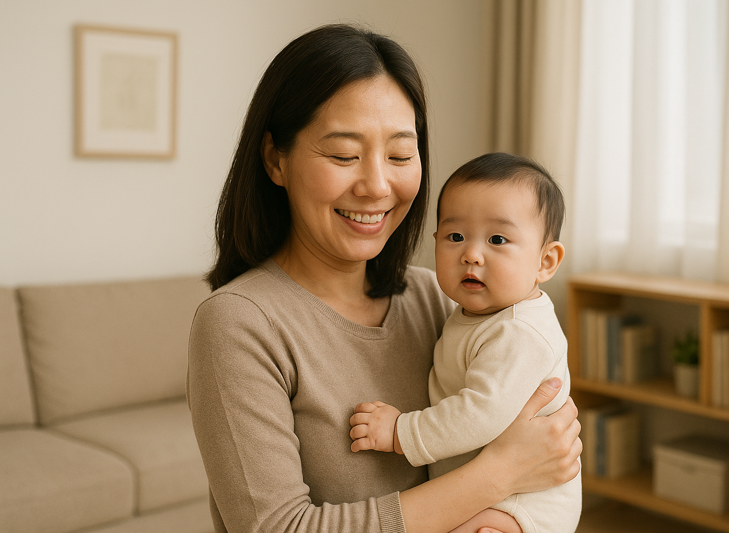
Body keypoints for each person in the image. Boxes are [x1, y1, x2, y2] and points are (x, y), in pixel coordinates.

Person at [186, 23, 582, 533]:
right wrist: (497, 474)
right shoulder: (239, 324)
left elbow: (545, 437)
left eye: (399, 155)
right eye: (344, 155)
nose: (377, 186)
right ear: (274, 159)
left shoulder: (438, 300)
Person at [349, 153, 581, 533]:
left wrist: (400, 432)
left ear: (546, 261)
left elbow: (480, 414)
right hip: (487, 492)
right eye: (455, 237)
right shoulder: (475, 313)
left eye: (498, 239)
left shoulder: (518, 331)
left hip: (521, 506)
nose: (471, 254)